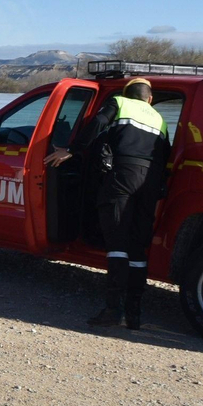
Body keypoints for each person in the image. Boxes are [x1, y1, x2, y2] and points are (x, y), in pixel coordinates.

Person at [47, 77, 170, 329]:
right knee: (137, 248)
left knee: (117, 243)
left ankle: (113, 311)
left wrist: (72, 149)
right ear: (150, 99)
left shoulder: (119, 102)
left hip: (122, 176)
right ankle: (134, 314)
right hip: (149, 182)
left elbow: (98, 123)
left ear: (127, 94)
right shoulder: (160, 119)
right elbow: (165, 155)